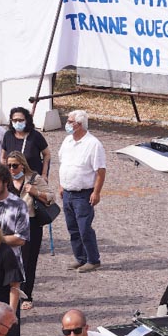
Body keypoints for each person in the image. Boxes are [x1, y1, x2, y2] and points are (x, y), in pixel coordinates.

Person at [57, 110, 106, 273]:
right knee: (73, 228)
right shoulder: (67, 141)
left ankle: (93, 259)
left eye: (71, 122)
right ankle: (80, 258)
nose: (68, 124)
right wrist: (62, 184)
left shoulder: (93, 144)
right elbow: (64, 163)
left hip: (83, 193)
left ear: (79, 124)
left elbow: (100, 170)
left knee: (84, 228)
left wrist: (96, 192)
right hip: (68, 192)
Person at [6, 150, 53, 307]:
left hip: (30, 224)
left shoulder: (34, 178)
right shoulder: (5, 180)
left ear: (22, 165)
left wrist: (35, 192)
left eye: (15, 166)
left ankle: (27, 295)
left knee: (28, 262)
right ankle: (11, 292)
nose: (12, 169)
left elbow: (50, 197)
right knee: (11, 260)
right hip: (10, 225)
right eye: (9, 166)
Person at [2, 106, 51, 179]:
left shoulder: (35, 136)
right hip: (13, 179)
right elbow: (3, 157)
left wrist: (44, 174)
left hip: (32, 178)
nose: (17, 122)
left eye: (20, 120)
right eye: (15, 120)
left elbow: (47, 154)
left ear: (27, 120)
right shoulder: (8, 135)